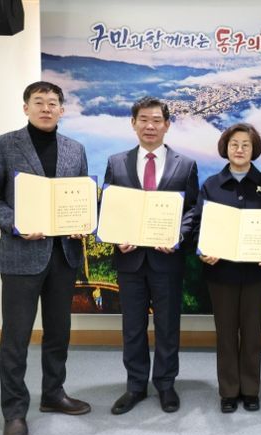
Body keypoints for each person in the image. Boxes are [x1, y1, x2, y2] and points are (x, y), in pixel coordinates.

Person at [0, 81, 91, 435]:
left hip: (64, 255)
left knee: (58, 332)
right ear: (25, 107)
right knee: (16, 337)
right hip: (20, 254)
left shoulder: (75, 149)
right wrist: (16, 223)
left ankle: (53, 393)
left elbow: (82, 196)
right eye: (38, 102)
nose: (46, 108)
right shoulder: (3, 145)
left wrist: (83, 223)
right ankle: (14, 412)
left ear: (62, 109)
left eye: (52, 103)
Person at [103, 97, 198, 415]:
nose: (150, 126)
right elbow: (109, 206)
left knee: (168, 325)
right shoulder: (116, 162)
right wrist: (116, 236)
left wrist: (177, 236)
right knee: (132, 326)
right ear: (133, 123)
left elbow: (192, 210)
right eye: (143, 119)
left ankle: (166, 384)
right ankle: (135, 385)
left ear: (167, 125)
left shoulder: (185, 165)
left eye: (157, 120)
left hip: (166, 259)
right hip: (130, 259)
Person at [192, 123, 261, 413]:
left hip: (257, 271)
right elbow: (198, 225)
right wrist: (203, 249)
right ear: (226, 148)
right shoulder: (211, 185)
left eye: (246, 144)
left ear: (254, 149)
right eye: (234, 144)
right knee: (226, 333)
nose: (240, 149)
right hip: (221, 271)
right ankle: (229, 390)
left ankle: (251, 389)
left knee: (253, 333)